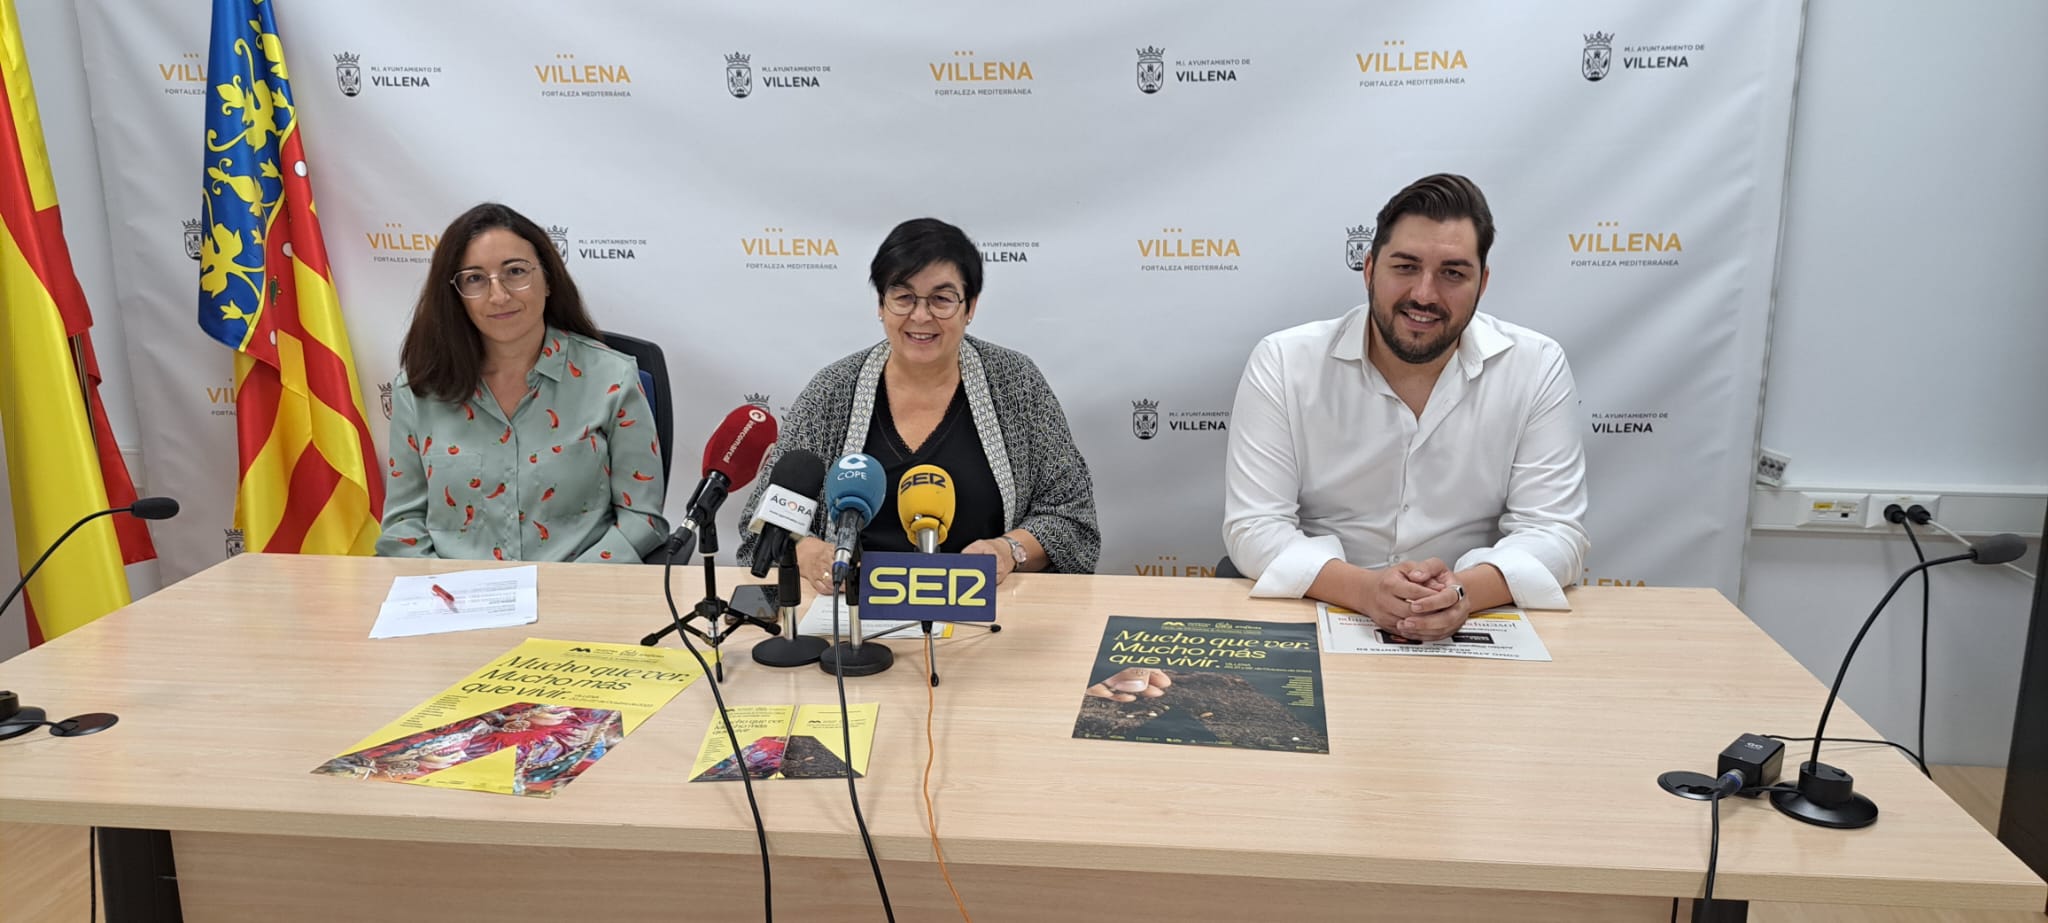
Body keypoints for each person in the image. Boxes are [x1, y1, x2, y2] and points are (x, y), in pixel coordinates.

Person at [1222, 173, 1589, 641]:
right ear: (1369, 269)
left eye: (1453, 273)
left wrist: (1458, 595)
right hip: (1318, 611)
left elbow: (1555, 532)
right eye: (1406, 267)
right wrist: (1365, 591)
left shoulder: (1536, 365)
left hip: (1472, 619)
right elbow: (1255, 526)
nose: (1424, 295)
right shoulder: (1284, 361)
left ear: (1482, 283)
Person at [736, 218, 1099, 591]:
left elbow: (1071, 517)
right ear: (881, 304)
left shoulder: (1016, 383)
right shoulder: (832, 392)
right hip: (855, 613)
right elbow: (762, 522)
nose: (921, 316)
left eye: (941, 299)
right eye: (904, 297)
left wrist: (1008, 550)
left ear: (970, 307)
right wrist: (808, 552)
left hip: (988, 609)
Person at [376, 203, 667, 562]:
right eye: (475, 279)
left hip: (577, 586)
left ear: (548, 279)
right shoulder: (419, 391)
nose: (498, 295)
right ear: (455, 294)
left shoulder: (611, 378)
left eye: (515, 272)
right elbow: (403, 528)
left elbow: (641, 519)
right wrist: (445, 590)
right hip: (455, 593)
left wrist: (571, 585)